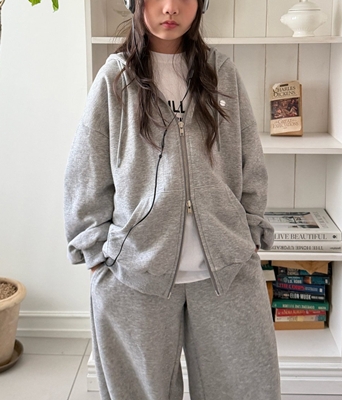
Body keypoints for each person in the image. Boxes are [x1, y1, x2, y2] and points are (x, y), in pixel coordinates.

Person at [64, 0, 281, 399]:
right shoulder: (115, 79)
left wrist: (249, 229)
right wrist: (95, 251)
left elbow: (250, 156)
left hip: (226, 271)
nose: (169, 7)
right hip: (135, 275)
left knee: (245, 389)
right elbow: (86, 169)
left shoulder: (221, 72)